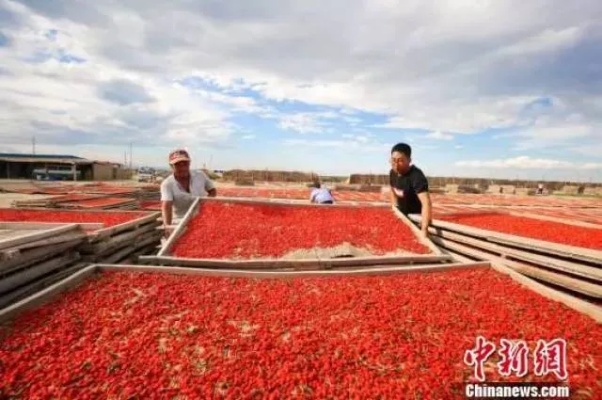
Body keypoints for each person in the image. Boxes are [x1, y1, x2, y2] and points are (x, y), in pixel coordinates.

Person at [160, 149, 217, 230]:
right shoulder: (167, 184)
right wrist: (167, 227)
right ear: (171, 166)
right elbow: (167, 206)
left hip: (202, 218)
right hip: (180, 221)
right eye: (178, 165)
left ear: (189, 163)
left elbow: (212, 190)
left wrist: (206, 205)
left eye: (185, 164)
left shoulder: (200, 175)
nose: (182, 168)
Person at [389, 143, 432, 236]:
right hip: (403, 217)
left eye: (400, 160)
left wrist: (424, 228)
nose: (396, 164)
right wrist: (395, 208)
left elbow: (426, 202)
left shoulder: (416, 176)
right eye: (393, 160)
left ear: (409, 160)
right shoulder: (392, 173)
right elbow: (393, 189)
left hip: (416, 217)